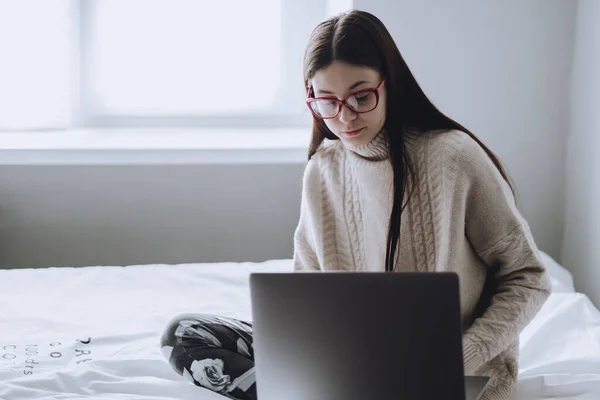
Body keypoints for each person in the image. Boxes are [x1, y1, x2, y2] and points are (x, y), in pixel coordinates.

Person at [160, 9, 551, 400]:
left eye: (361, 96)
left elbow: (528, 277)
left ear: (390, 84)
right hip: (342, 361)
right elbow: (308, 289)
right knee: (182, 336)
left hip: (443, 369)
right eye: (326, 101)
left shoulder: (451, 156)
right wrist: (306, 353)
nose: (344, 117)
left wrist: (465, 353)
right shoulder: (322, 169)